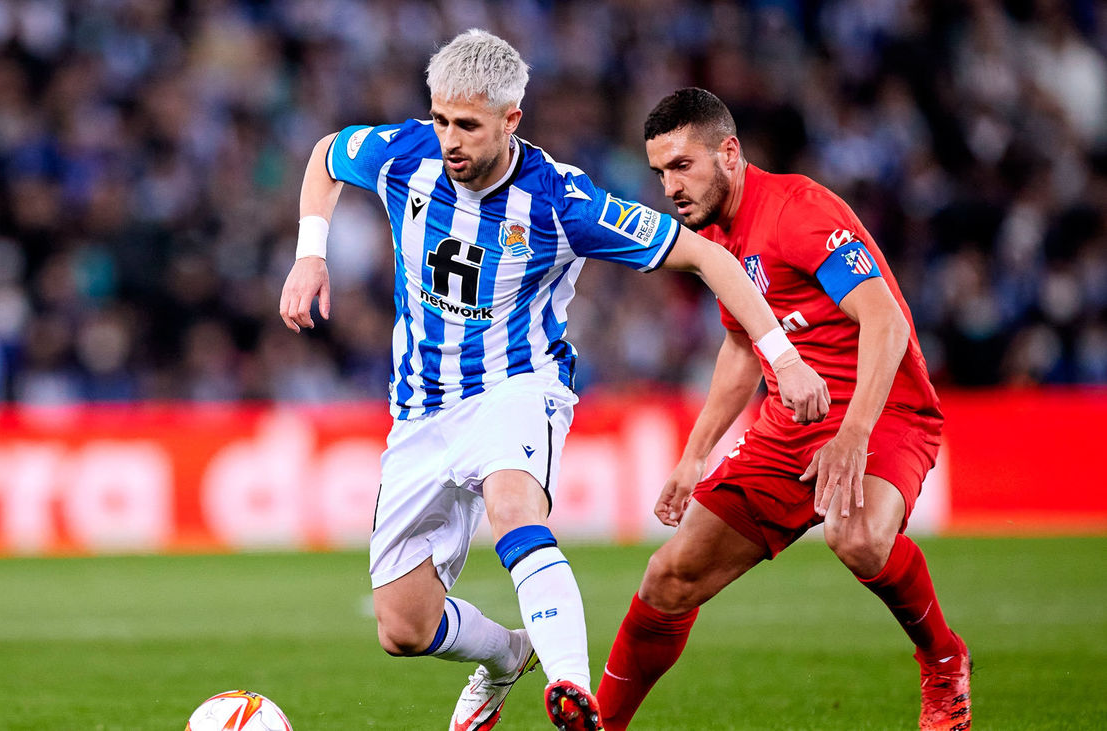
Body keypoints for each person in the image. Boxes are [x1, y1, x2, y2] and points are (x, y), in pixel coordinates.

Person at [279, 32, 829, 731]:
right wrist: (309, 254)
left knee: (514, 504)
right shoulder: (403, 153)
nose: (449, 139)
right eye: (442, 119)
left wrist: (782, 356)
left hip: (517, 386)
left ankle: (572, 688)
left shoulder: (560, 200)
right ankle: (508, 655)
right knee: (403, 626)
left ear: (511, 120)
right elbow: (327, 153)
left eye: (468, 125)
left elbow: (708, 260)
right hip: (419, 410)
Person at [597, 88, 970, 731]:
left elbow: (883, 319)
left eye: (682, 166)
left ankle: (942, 659)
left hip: (884, 412)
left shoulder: (798, 211)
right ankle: (601, 724)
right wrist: (692, 458)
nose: (669, 187)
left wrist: (853, 435)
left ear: (730, 153)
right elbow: (743, 348)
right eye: (660, 172)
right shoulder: (718, 239)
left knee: (856, 537)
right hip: (790, 424)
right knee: (669, 578)